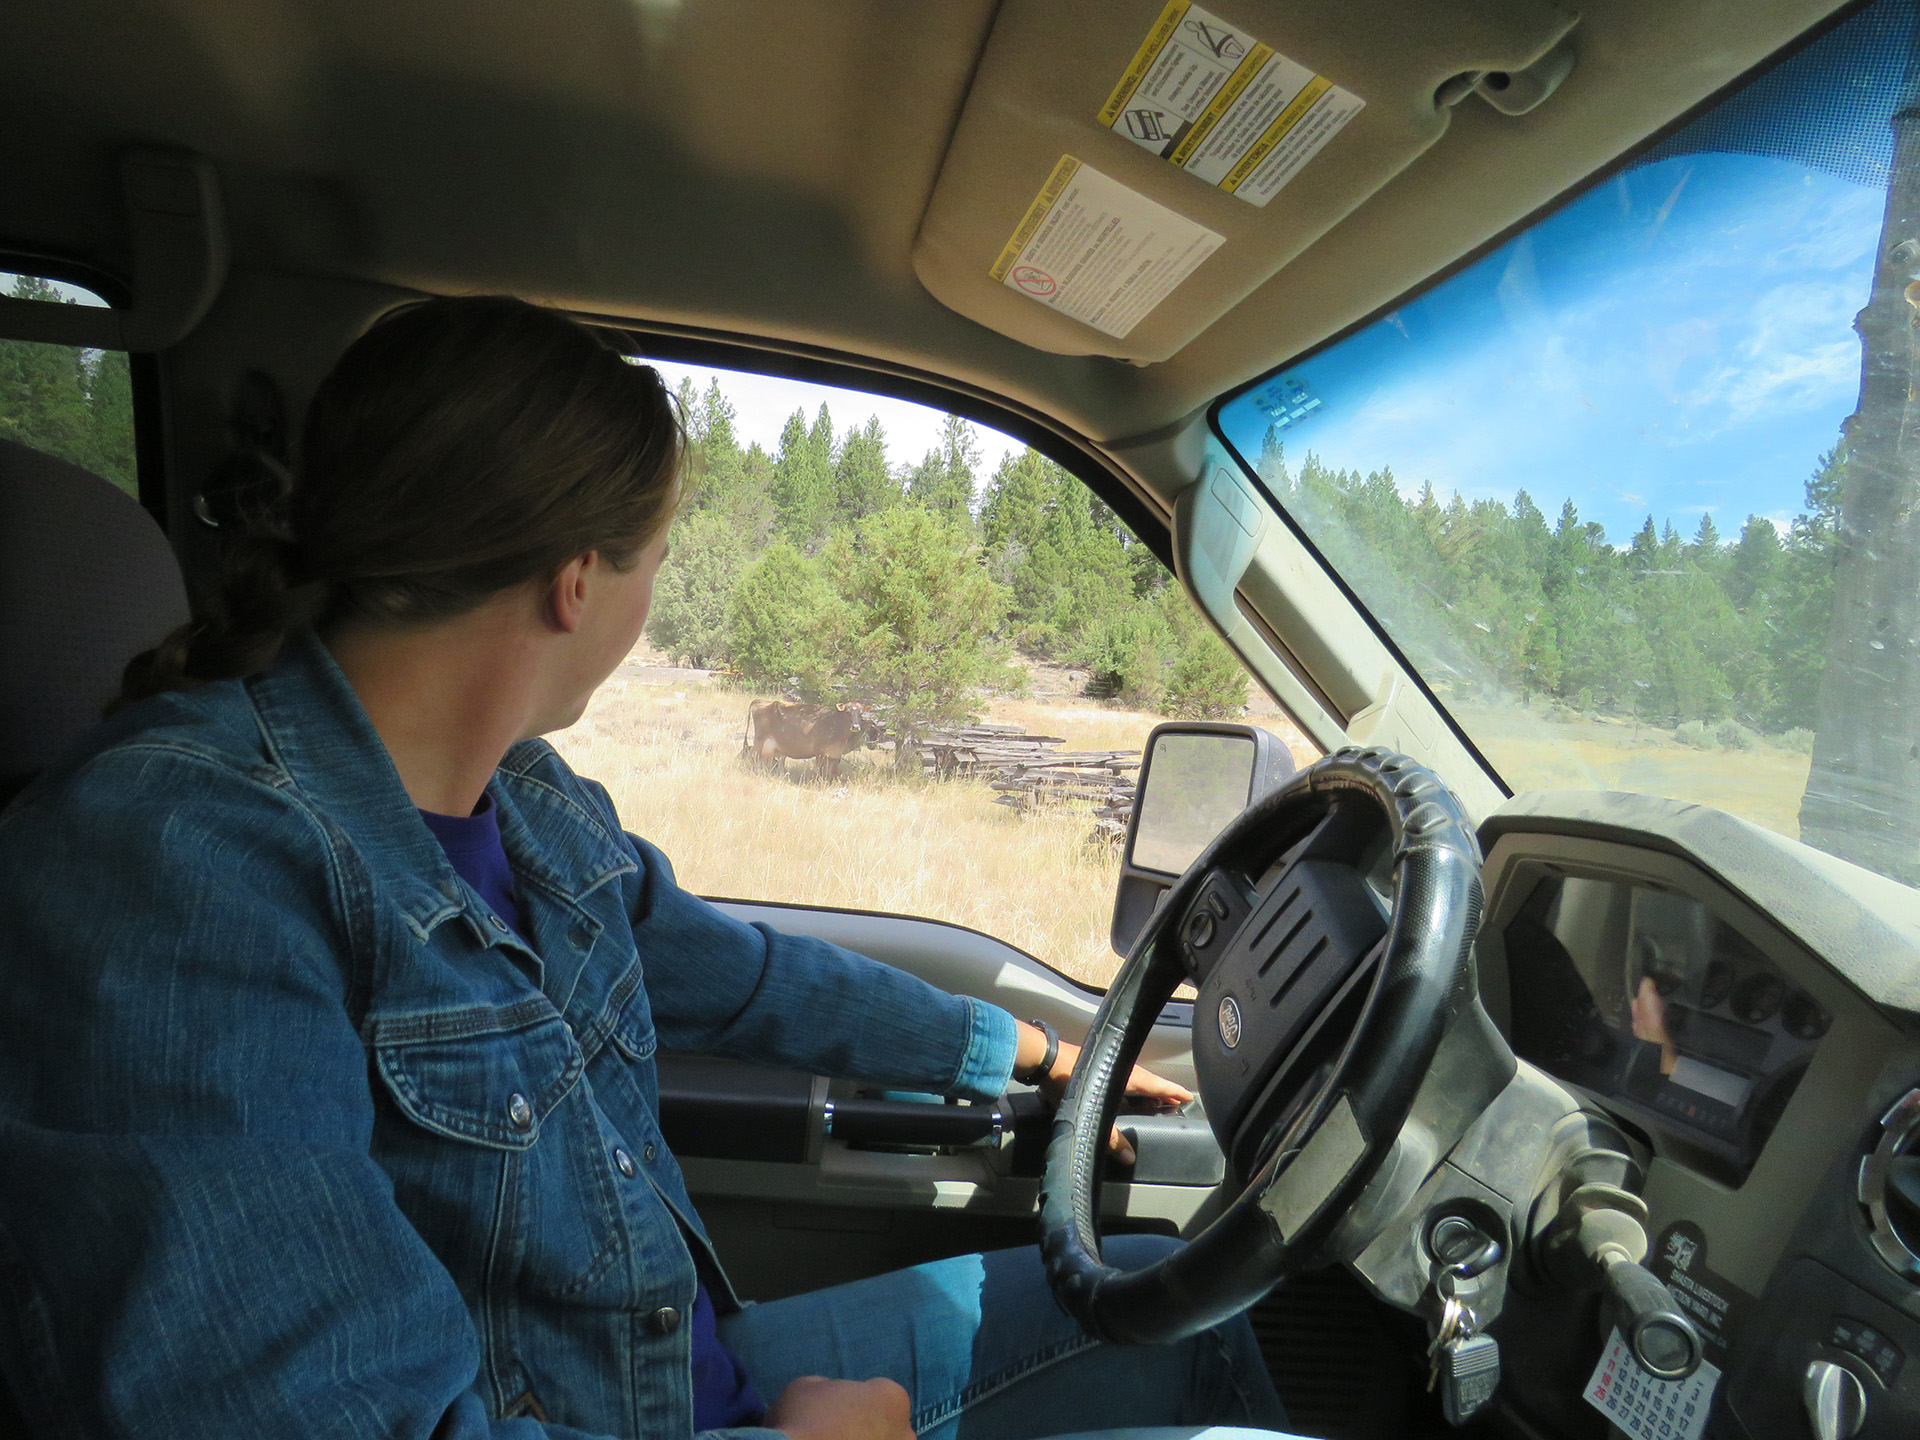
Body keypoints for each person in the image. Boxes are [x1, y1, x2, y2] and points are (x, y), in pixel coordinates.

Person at [0, 296, 1291, 1440]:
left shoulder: (526, 801)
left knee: (1173, 1307)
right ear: (576, 582)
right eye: (658, 556)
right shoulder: (176, 864)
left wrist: (1013, 1054)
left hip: (659, 1374)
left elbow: (727, 976)